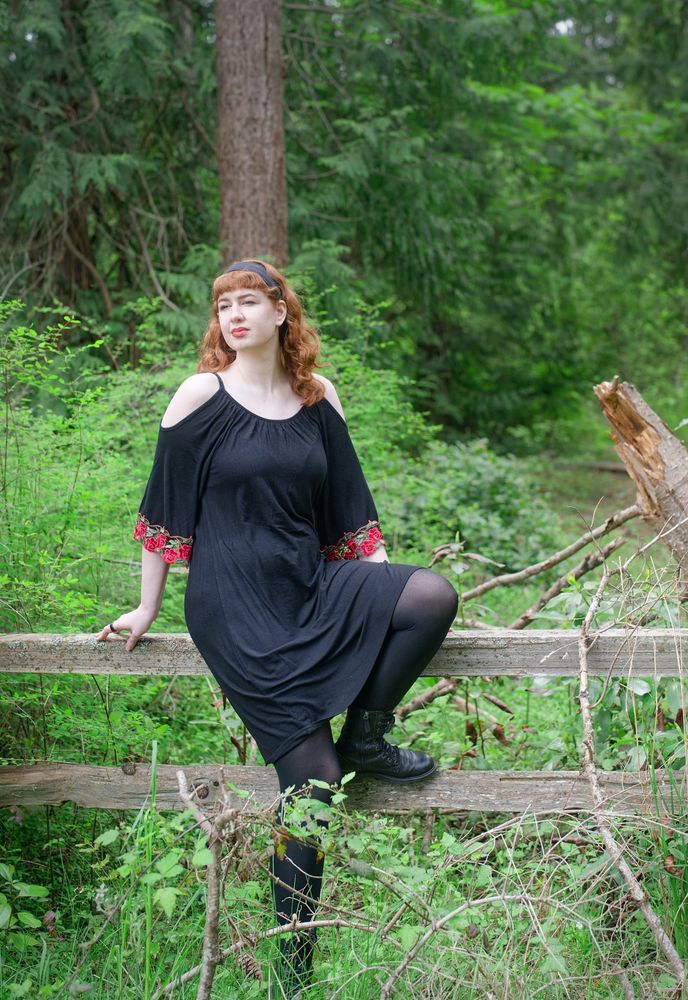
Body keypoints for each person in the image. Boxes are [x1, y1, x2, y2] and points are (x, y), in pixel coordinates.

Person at [96, 258, 458, 996]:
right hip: (233, 605)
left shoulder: (318, 398)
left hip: (307, 583)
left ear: (280, 313)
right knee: (314, 782)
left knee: (428, 596)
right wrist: (147, 607)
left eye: (250, 302)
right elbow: (163, 510)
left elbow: (350, 513)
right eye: (224, 304)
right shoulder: (202, 394)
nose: (234, 314)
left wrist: (377, 587)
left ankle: (368, 735)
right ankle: (292, 972)